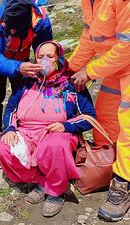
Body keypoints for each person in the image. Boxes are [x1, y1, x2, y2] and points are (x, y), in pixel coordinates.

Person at [0, 41, 96, 217]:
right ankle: (41, 181)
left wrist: (65, 126)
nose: (45, 60)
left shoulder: (71, 83)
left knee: (55, 146)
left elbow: (89, 116)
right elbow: (11, 108)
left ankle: (56, 191)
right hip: (26, 132)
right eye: (40, 56)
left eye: (50, 56)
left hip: (56, 133)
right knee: (5, 148)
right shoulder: (26, 82)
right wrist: (10, 129)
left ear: (59, 59)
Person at [68, 0, 130, 221]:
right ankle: (107, 165)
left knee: (128, 128)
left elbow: (127, 45)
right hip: (117, 69)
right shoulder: (89, 1)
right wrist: (69, 69)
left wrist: (90, 71)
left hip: (126, 65)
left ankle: (123, 185)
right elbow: (89, 39)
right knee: (103, 118)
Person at [0, 0, 53, 130]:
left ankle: (20, 126)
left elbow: (44, 49)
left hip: (22, 60)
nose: (11, 31)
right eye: (9, 28)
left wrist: (45, 68)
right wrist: (18, 67)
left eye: (15, 29)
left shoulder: (40, 21)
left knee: (22, 95)